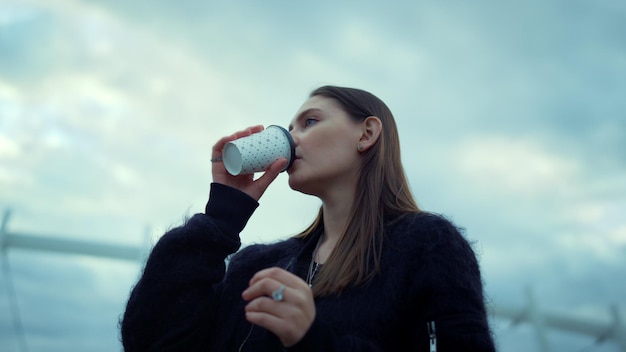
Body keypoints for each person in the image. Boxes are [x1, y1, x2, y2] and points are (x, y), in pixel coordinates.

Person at [121, 86, 496, 351]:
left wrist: (312, 339)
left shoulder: (427, 245)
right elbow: (152, 342)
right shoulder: (257, 266)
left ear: (366, 134)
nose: (290, 137)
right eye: (290, 127)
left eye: (310, 121)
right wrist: (219, 220)